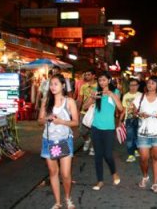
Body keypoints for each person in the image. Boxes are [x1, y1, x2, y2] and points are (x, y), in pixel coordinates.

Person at [38, 74, 79, 209]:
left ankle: (67, 198)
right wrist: (47, 118)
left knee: (65, 174)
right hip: (48, 141)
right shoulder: (46, 101)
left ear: (63, 85)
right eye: (51, 84)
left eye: (56, 84)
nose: (53, 86)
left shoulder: (69, 101)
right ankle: (57, 202)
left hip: (65, 141)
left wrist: (61, 121)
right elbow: (39, 121)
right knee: (53, 172)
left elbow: (76, 122)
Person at [83, 71, 123, 191]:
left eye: (104, 80)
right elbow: (85, 107)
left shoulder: (115, 92)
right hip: (96, 127)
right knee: (98, 155)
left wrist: (112, 95)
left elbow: (121, 108)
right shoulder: (96, 91)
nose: (102, 82)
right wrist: (92, 98)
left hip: (109, 128)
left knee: (108, 155)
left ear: (109, 80)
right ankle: (100, 181)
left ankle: (114, 172)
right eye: (100, 80)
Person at [133, 76, 157, 193]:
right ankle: (145, 176)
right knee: (144, 158)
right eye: (149, 83)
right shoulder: (140, 97)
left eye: (153, 83)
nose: (150, 85)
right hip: (143, 132)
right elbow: (134, 113)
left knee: (156, 157)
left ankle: (155, 183)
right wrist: (140, 114)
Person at [120, 78, 142, 162]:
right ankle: (130, 155)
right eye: (131, 85)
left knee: (137, 136)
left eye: (135, 85)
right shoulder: (125, 96)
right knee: (129, 137)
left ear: (138, 86)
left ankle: (136, 149)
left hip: (139, 119)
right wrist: (120, 120)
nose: (133, 87)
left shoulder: (141, 95)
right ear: (128, 86)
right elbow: (124, 109)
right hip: (128, 119)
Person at [77, 69, 97, 156]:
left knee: (94, 131)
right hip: (84, 111)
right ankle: (87, 140)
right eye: (86, 75)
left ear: (93, 76)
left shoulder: (98, 86)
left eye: (89, 74)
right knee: (82, 131)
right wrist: (77, 110)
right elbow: (80, 99)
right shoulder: (83, 86)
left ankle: (93, 147)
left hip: (94, 112)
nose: (86, 76)